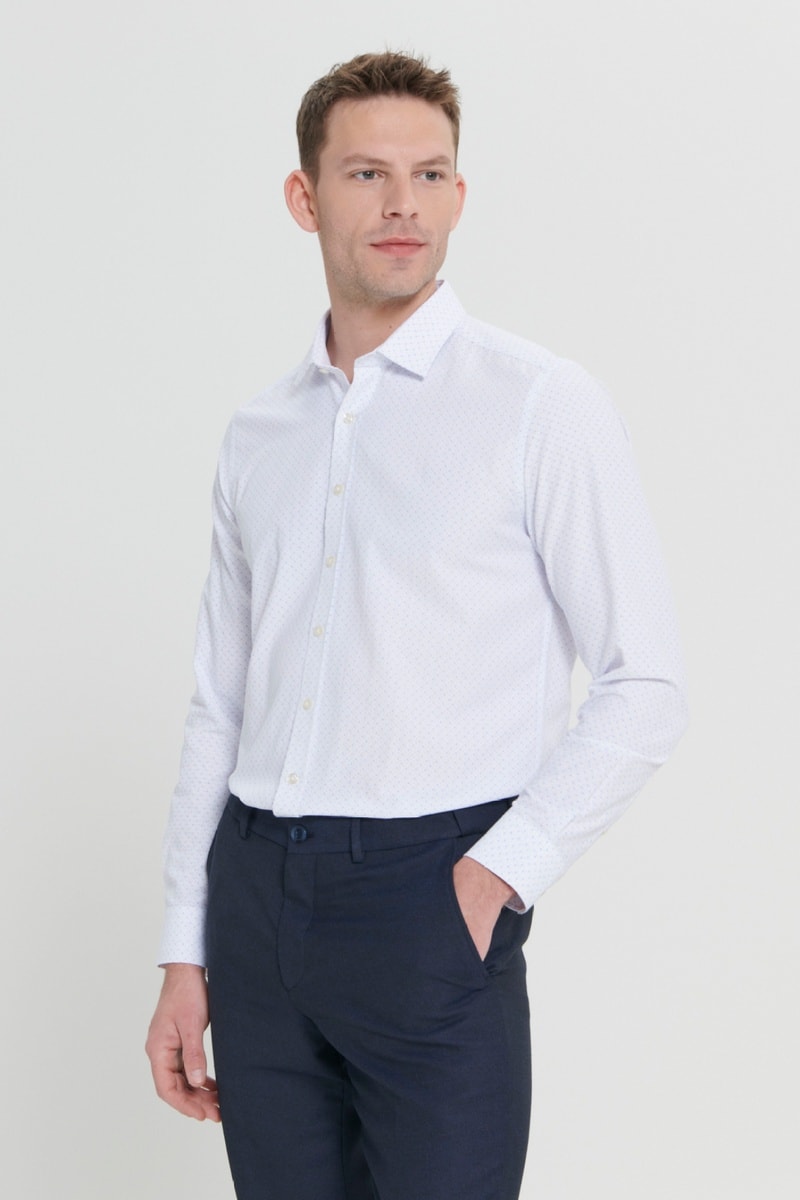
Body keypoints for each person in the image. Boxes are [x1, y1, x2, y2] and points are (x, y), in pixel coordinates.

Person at [146, 50, 688, 1200]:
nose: (402, 203)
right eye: (366, 174)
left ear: (457, 194)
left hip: (428, 898)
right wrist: (185, 950)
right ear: (304, 198)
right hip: (254, 895)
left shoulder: (538, 405)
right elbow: (219, 704)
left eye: (428, 174)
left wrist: (492, 879)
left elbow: (644, 683)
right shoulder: (258, 434)